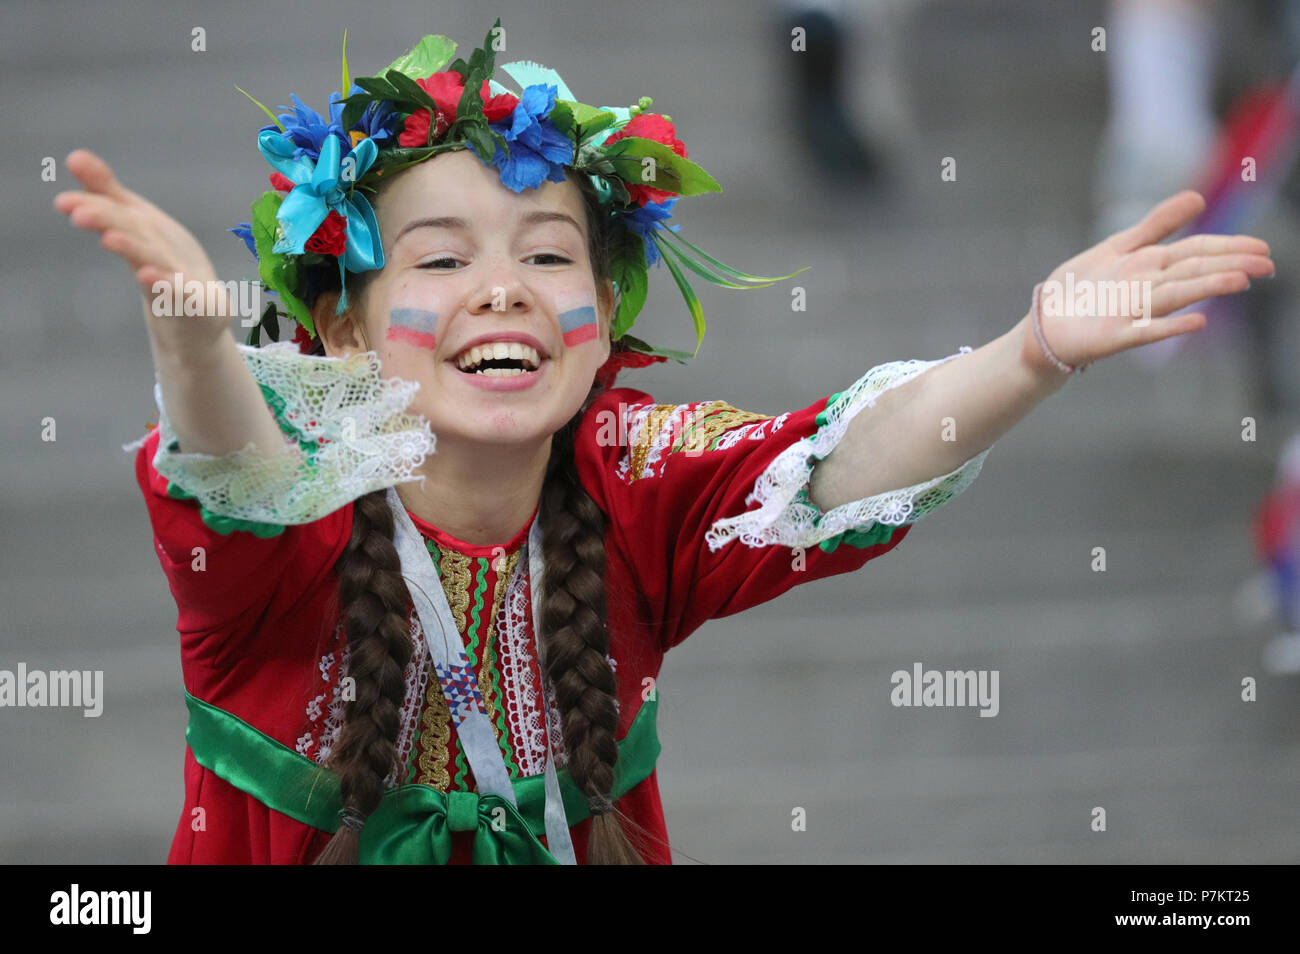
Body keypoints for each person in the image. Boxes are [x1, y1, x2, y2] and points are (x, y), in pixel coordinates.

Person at [53, 21, 1274, 864]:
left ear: (600, 330)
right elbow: (233, 471)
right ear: (339, 332)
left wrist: (1028, 353)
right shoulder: (296, 524)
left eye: (546, 254)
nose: (505, 289)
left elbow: (838, 462)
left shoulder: (634, 478)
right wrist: (197, 348)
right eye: (440, 260)